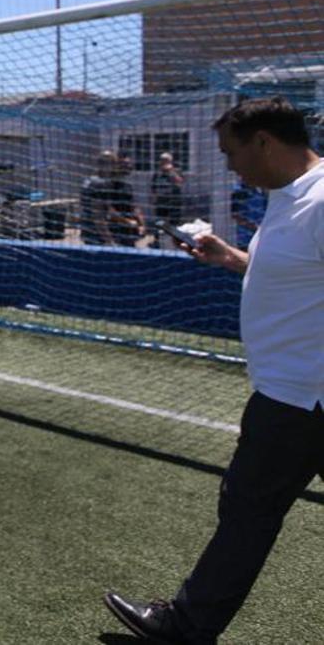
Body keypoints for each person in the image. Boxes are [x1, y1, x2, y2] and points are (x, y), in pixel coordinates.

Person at [105, 97, 324, 644]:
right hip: (291, 395)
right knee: (247, 512)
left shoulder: (320, 201)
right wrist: (232, 258)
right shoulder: (287, 197)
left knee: (247, 512)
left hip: (302, 400)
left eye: (231, 153)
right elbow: (298, 276)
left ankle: (185, 627)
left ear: (264, 143)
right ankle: (187, 625)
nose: (229, 166)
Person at [79, 150, 145, 246]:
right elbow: (98, 216)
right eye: (113, 163)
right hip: (97, 236)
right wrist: (109, 241)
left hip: (89, 231)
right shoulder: (100, 183)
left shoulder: (89, 180)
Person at [151, 151, 186, 246]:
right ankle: (157, 242)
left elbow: (180, 182)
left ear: (171, 161)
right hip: (161, 204)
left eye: (166, 160)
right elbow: (153, 188)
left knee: (173, 225)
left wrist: (171, 171)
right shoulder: (157, 174)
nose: (163, 162)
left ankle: (174, 243)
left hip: (174, 203)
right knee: (160, 224)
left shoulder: (176, 171)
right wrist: (153, 200)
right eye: (162, 160)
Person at [230, 180, 267, 250]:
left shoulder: (259, 192)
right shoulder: (240, 191)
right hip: (245, 240)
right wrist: (254, 227)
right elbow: (235, 215)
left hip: (259, 238)